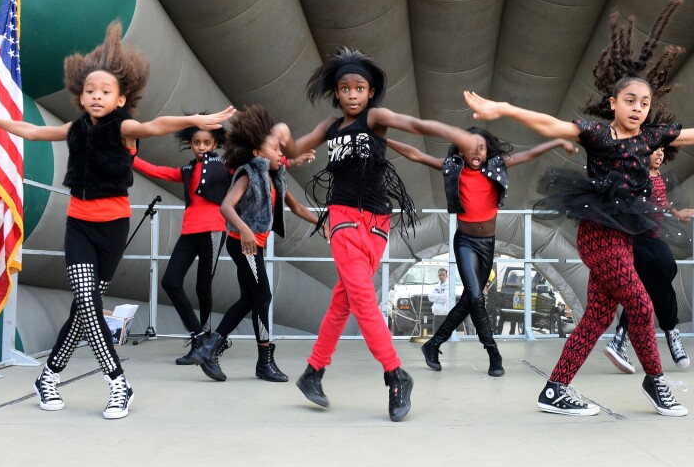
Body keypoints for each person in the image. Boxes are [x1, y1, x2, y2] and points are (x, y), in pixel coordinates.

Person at [463, 0, 694, 416]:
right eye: (630, 100)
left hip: (627, 236)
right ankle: (656, 382)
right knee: (641, 306)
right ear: (613, 103)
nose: (638, 107)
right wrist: (504, 109)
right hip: (599, 234)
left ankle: (555, 389)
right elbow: (551, 124)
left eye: (644, 102)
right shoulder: (598, 134)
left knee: (597, 319)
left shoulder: (651, 138)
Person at [0, 21, 232, 419]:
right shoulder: (74, 129)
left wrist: (198, 122)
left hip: (113, 229)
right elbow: (31, 132)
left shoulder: (124, 128)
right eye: (90, 91)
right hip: (79, 226)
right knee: (87, 301)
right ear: (80, 97)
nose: (96, 96)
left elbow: (156, 125)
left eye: (105, 92)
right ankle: (119, 384)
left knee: (82, 310)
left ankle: (47, 377)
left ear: (120, 99)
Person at [277, 47, 477, 422]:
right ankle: (395, 374)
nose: (352, 95)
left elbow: (414, 125)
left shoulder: (376, 118)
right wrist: (282, 137)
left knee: (345, 300)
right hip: (342, 218)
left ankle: (313, 372)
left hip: (378, 222)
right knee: (364, 298)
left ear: (370, 93)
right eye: (345, 89)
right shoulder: (329, 128)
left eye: (359, 88)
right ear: (336, 93)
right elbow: (292, 150)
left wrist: (456, 135)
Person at [388, 130, 576, 377]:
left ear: (488, 152)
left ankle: (433, 344)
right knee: (477, 298)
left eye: (482, 148)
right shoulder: (453, 168)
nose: (477, 152)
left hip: (487, 243)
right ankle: (493, 353)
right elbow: (416, 154)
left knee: (469, 299)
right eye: (471, 147)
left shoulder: (496, 166)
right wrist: (382, 138)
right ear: (459, 150)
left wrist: (558, 140)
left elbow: (529, 154)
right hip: (465, 242)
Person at [189, 105, 318, 382]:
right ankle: (264, 362)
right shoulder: (248, 174)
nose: (281, 154)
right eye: (275, 149)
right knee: (263, 297)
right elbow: (226, 207)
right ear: (258, 154)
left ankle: (210, 348)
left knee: (250, 298)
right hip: (244, 244)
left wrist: (323, 223)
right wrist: (245, 230)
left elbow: (295, 207)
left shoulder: (274, 176)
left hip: (253, 245)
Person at [132, 120, 231, 365]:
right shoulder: (187, 170)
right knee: (170, 281)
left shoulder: (226, 165)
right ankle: (198, 336)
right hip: (189, 231)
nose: (201, 147)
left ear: (215, 143)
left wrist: (286, 160)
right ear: (190, 144)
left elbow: (249, 163)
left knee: (202, 285)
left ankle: (205, 340)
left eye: (207, 143)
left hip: (214, 230)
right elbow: (157, 171)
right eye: (196, 143)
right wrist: (130, 156)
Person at [605, 145, 694, 374]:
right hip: (635, 237)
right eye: (654, 150)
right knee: (666, 266)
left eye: (662, 150)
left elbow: (660, 200)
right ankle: (669, 331)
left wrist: (676, 213)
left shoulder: (658, 177)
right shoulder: (637, 176)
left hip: (652, 235)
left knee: (649, 285)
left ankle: (620, 338)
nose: (659, 153)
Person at [427, 267, 452, 333]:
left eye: (443, 275)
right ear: (438, 275)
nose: (441, 276)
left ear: (446, 276)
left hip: (446, 315)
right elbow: (430, 297)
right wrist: (439, 296)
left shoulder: (449, 286)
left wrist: (436, 296)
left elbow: (445, 297)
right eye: (440, 275)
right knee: (435, 334)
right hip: (436, 315)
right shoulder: (436, 286)